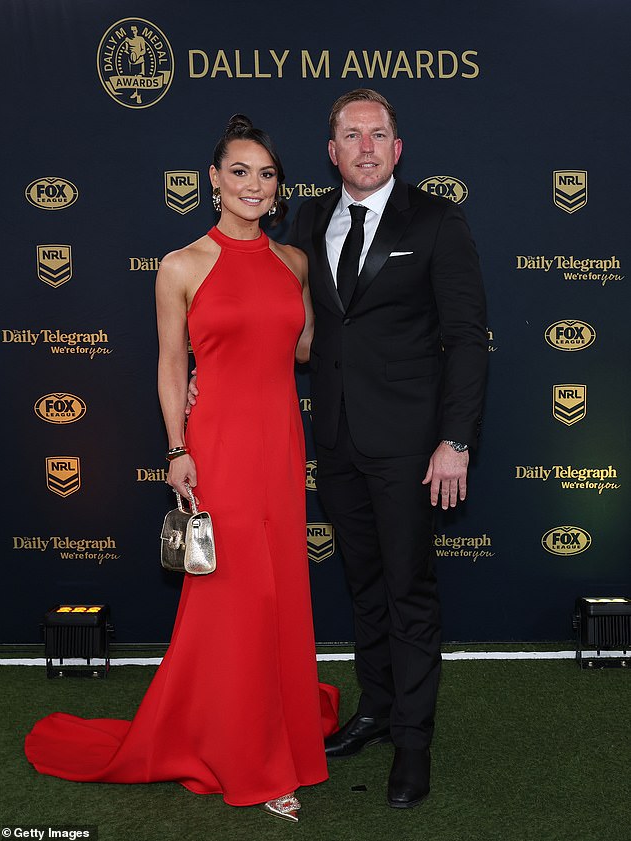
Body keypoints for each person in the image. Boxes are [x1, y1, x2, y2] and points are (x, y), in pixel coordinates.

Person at [24, 115, 338, 824]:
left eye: (266, 174)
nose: (254, 185)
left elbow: (308, 346)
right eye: (240, 171)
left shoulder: (294, 263)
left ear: (279, 187)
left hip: (283, 444)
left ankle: (276, 733)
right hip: (219, 445)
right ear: (214, 180)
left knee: (281, 591)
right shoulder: (182, 263)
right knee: (235, 597)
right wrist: (177, 447)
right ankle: (248, 760)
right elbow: (171, 366)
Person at [290, 89, 488, 808]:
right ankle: (374, 709)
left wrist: (455, 440)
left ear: (397, 150)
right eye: (352, 134)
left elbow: (467, 339)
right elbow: (275, 312)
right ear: (332, 151)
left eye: (379, 134)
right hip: (337, 438)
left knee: (408, 591)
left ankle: (413, 740)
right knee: (364, 584)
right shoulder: (309, 218)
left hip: (412, 446)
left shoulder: (436, 219)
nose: (366, 146)